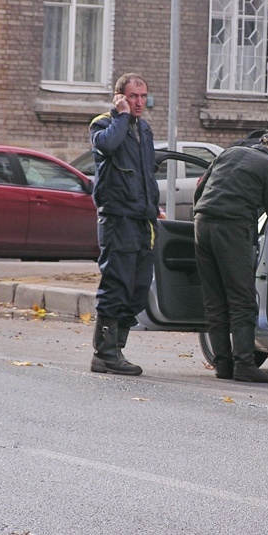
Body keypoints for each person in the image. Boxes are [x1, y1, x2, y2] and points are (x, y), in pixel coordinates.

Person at [193, 131, 268, 383]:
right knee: (242, 300)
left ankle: (223, 365)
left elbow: (201, 189)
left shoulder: (229, 153)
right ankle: (244, 365)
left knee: (215, 299)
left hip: (202, 223)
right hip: (232, 228)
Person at [88, 73, 160, 376]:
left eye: (143, 97)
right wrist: (121, 115)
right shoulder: (104, 124)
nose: (139, 103)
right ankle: (105, 353)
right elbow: (107, 146)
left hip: (142, 218)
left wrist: (154, 207)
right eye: (133, 97)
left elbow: (146, 173)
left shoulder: (144, 128)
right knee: (116, 285)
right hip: (117, 218)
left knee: (139, 288)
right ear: (120, 97)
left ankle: (117, 349)